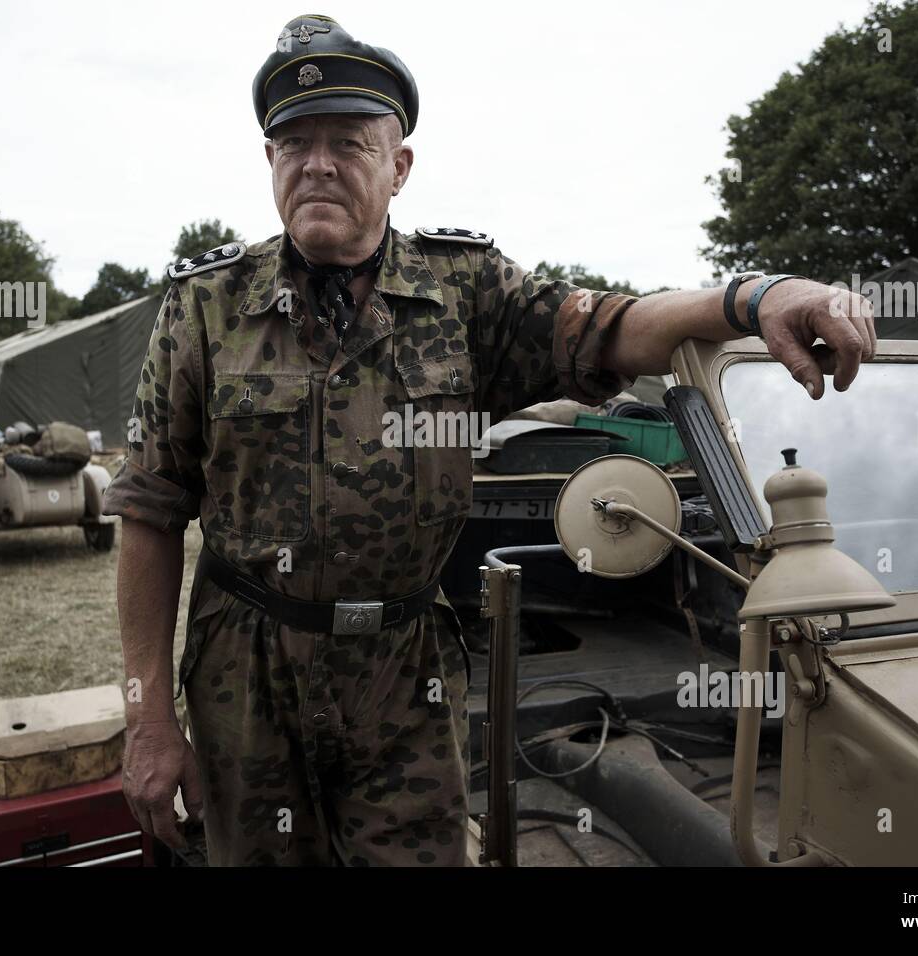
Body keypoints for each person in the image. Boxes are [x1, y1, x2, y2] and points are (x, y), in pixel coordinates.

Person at [101, 13, 878, 867]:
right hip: (243, 674)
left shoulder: (464, 288)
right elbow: (148, 510)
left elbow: (609, 328)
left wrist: (753, 297)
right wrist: (148, 714)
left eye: (348, 143)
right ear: (268, 161)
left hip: (404, 673)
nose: (316, 164)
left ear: (398, 167)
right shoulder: (205, 306)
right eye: (293, 143)